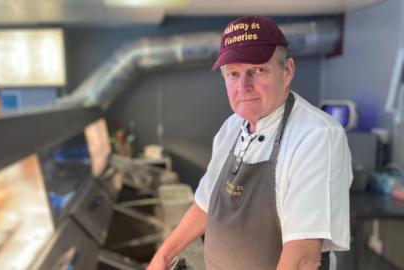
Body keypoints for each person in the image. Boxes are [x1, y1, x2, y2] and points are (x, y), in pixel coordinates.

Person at [148, 16, 352, 270]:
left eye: (258, 70)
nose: (243, 86)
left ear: (287, 71)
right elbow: (205, 204)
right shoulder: (231, 127)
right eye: (233, 74)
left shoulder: (317, 135)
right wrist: (163, 257)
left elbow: (303, 257)